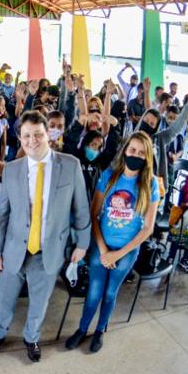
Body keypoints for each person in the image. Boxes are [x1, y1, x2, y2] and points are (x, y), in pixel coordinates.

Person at [0, 111, 91, 363]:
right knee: (5, 299)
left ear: (48, 135)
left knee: (39, 302)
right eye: (26, 136)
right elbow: (2, 214)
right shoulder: (11, 169)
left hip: (49, 251)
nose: (33, 141)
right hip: (14, 250)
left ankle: (31, 338)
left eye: (38, 135)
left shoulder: (70, 165)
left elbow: (81, 208)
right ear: (20, 138)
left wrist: (82, 244)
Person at [65, 131, 159, 353]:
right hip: (102, 245)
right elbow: (94, 213)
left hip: (127, 251)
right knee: (94, 292)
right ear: (125, 150)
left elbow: (148, 228)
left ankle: (100, 330)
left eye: (141, 153)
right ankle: (82, 328)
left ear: (147, 158)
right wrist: (103, 249)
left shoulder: (150, 184)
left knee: (109, 293)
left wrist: (117, 254)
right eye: (132, 150)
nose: (135, 155)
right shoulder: (109, 176)